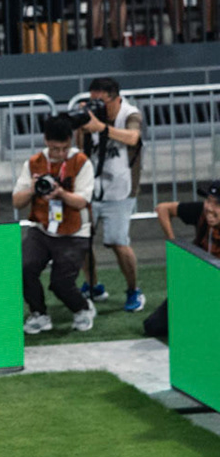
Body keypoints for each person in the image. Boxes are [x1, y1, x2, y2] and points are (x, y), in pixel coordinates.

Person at [16, 114, 97, 334]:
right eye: (54, 149)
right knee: (24, 267)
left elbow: (82, 201)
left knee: (60, 283)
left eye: (64, 148)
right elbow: (17, 201)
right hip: (42, 228)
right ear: (45, 141)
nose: (60, 154)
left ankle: (82, 308)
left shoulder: (81, 163)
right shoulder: (33, 163)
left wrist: (61, 193)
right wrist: (33, 190)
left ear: (70, 142)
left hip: (75, 231)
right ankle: (39, 314)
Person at [76, 78, 146, 314]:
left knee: (118, 242)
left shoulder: (129, 114)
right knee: (83, 240)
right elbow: (81, 151)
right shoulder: (92, 116)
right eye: (92, 100)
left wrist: (102, 128)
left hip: (121, 190)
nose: (96, 106)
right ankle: (94, 285)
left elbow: (134, 138)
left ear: (115, 98)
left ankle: (134, 289)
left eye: (101, 101)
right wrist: (81, 126)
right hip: (92, 188)